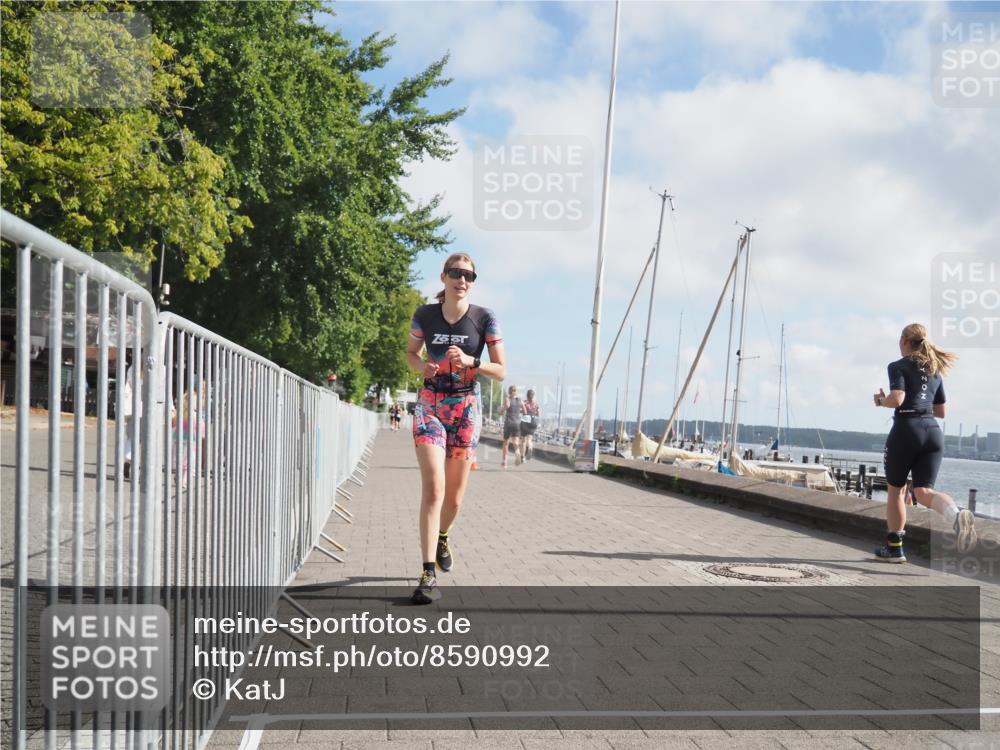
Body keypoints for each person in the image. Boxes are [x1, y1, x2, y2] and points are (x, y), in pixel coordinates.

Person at [407, 253, 505, 603]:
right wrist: (423, 368)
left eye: (469, 275)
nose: (462, 280)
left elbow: (501, 370)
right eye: (455, 273)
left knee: (455, 498)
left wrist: (471, 362)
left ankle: (443, 535)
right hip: (431, 405)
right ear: (444, 277)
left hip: (466, 408)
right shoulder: (425, 315)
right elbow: (410, 353)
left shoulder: (484, 318)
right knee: (434, 489)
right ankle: (427, 572)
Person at [873, 323, 976, 562]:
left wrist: (881, 401)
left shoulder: (897, 366)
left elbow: (897, 399)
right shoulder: (935, 370)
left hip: (907, 430)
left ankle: (895, 548)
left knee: (896, 490)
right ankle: (955, 515)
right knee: (923, 491)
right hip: (932, 432)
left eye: (900, 339)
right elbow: (941, 411)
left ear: (905, 341)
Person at [499, 385, 524, 468]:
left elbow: (506, 407)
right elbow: (525, 411)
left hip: (509, 423)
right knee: (515, 442)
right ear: (516, 391)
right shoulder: (520, 400)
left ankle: (504, 462)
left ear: (509, 391)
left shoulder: (508, 399)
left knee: (506, 442)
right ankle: (517, 452)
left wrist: (501, 411)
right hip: (517, 423)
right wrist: (518, 411)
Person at [521, 388, 540, 461]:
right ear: (533, 396)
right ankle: (530, 448)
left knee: (523, 440)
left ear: (527, 395)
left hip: (525, 420)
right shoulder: (536, 404)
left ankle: (522, 457)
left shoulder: (524, 402)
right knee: (529, 440)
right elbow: (538, 414)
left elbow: (522, 410)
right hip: (533, 421)